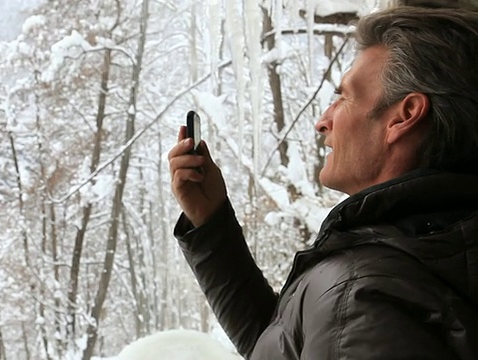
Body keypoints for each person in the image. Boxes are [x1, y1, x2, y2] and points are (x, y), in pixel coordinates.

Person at [168, 6, 478, 360]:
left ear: (403, 116)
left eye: (344, 96)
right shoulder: (427, 255)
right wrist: (211, 226)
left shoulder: (363, 292)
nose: (322, 121)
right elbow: (283, 344)